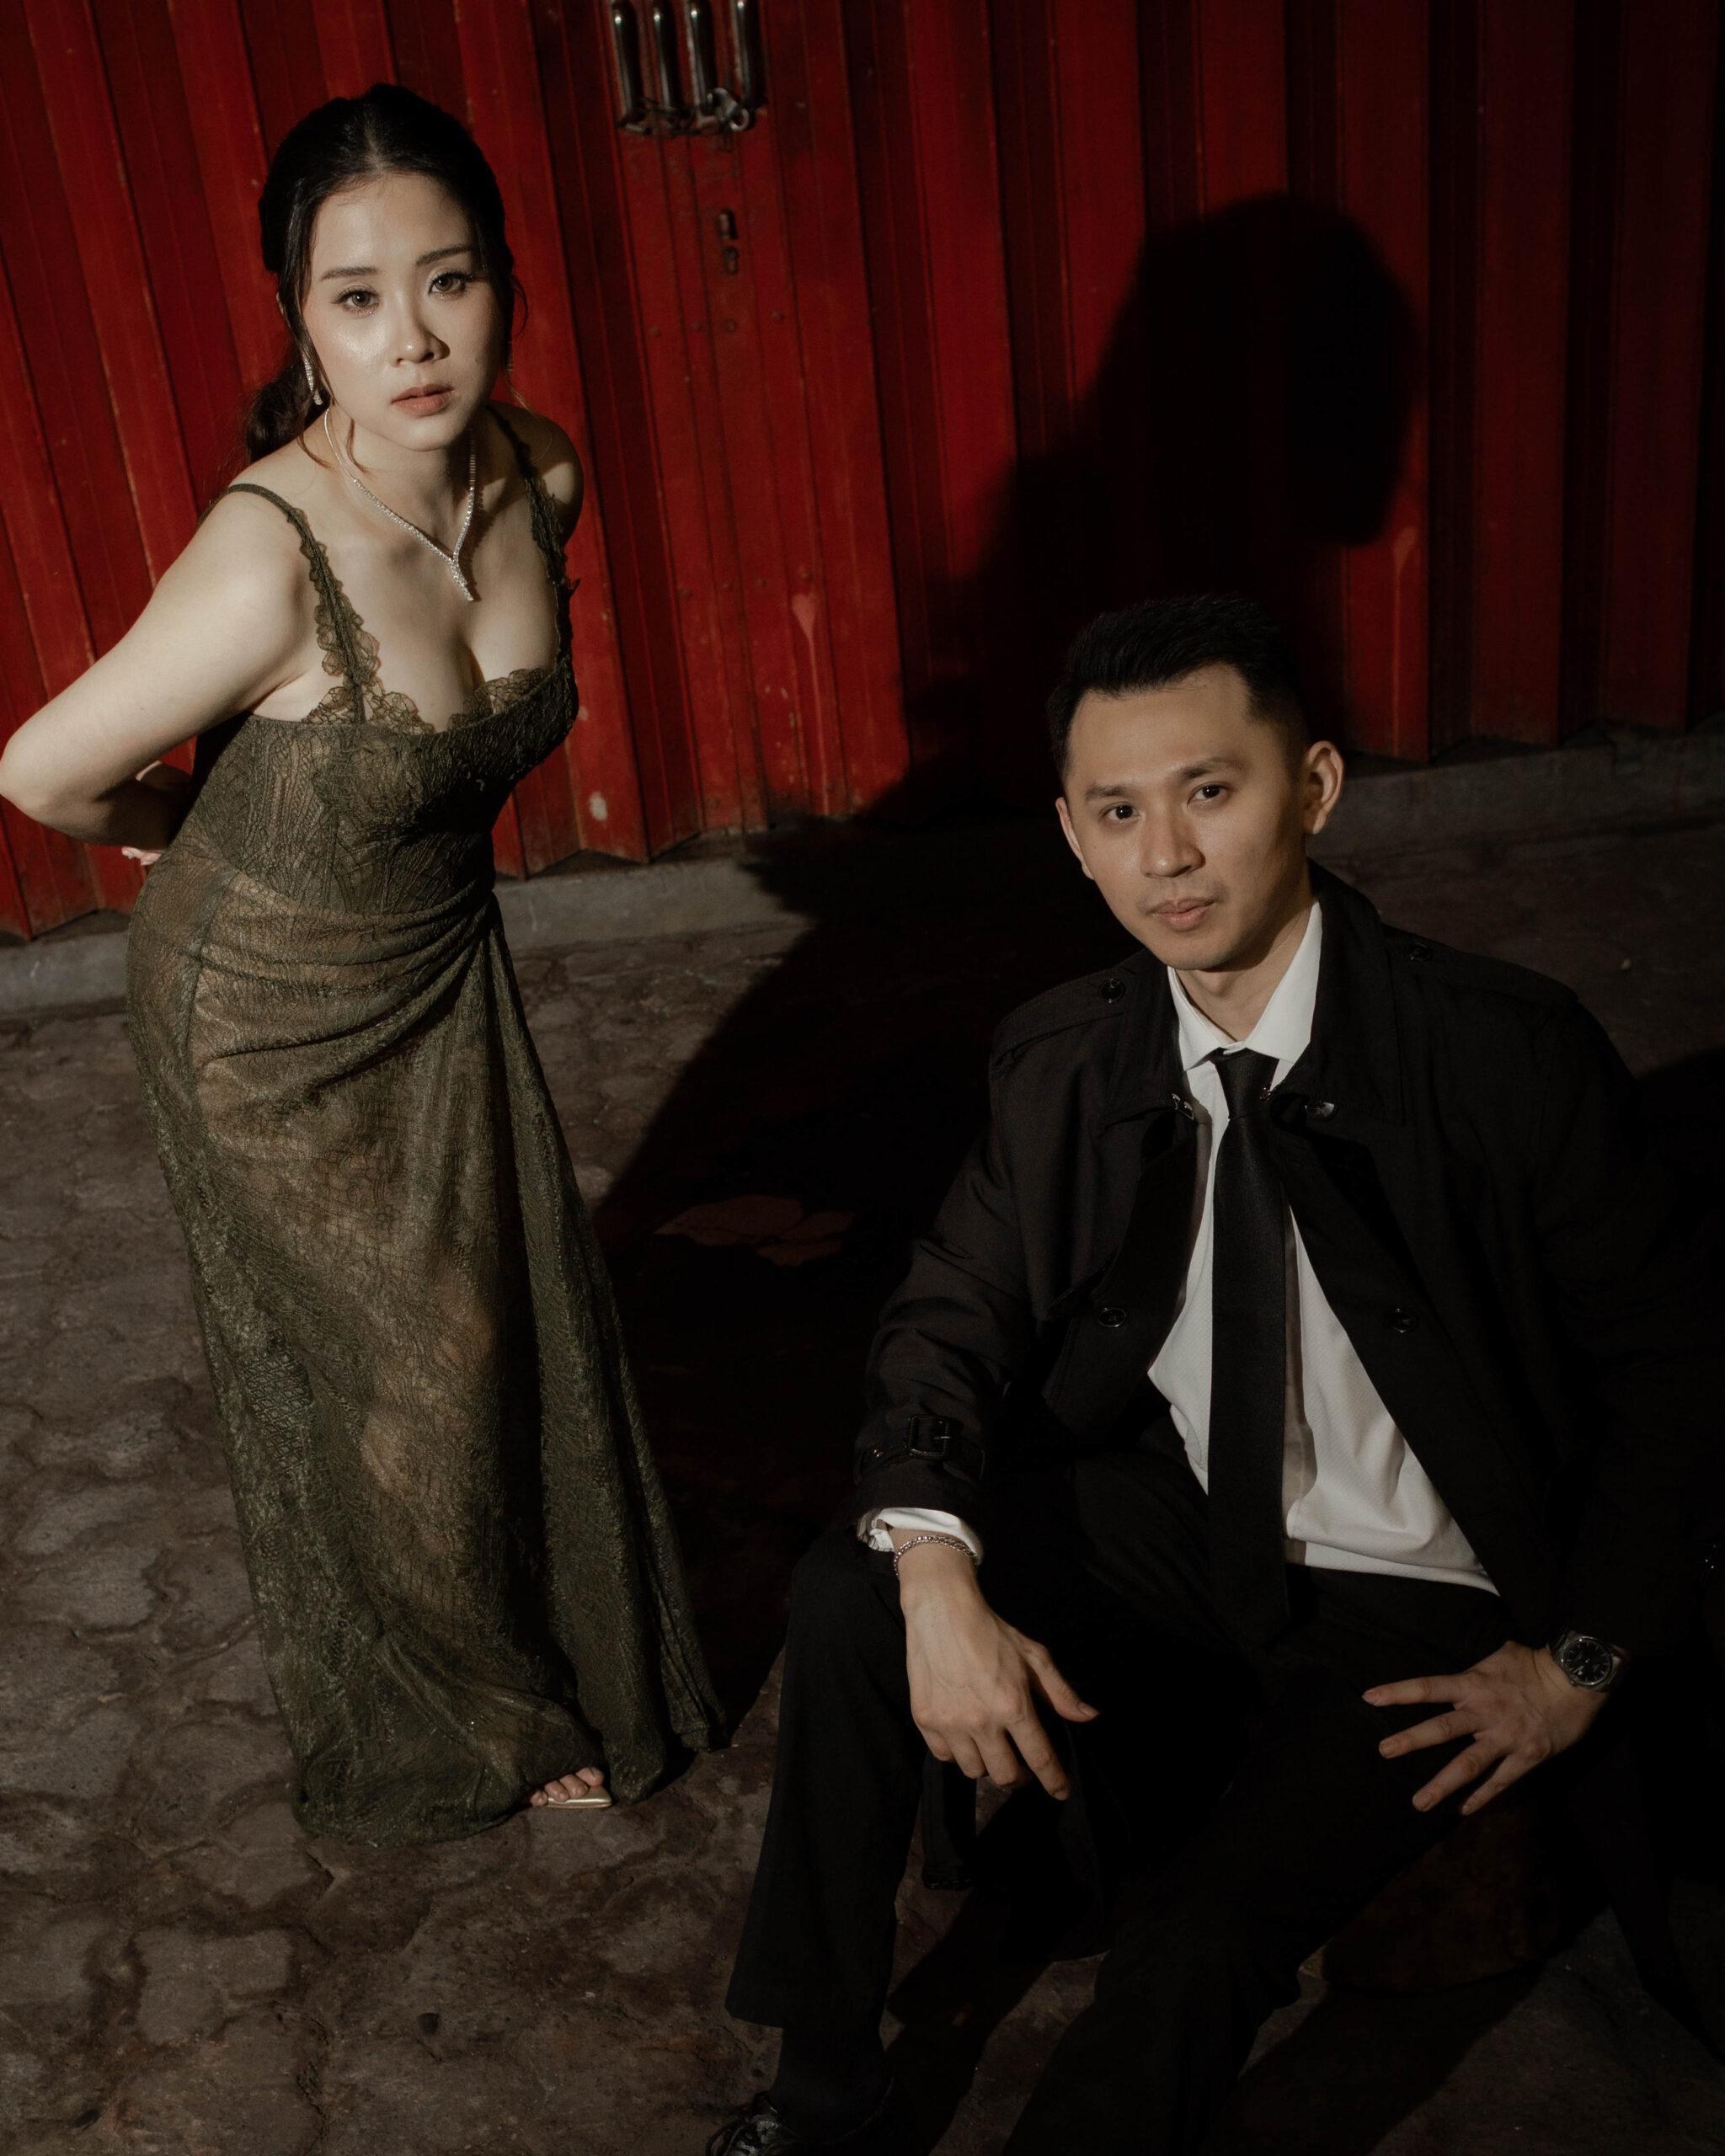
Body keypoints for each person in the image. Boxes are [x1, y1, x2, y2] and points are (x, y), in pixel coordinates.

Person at [709, 594, 1725, 2153]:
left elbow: (1679, 1371)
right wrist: (936, 1577)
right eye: (1119, 812)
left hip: (1423, 1596)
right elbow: (947, 1315)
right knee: (861, 1582)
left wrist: (1578, 1660)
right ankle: (823, 2082)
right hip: (1189, 1527)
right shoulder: (1064, 1057)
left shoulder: (1504, 1056)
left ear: (1313, 788)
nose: (1168, 856)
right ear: (1072, 836)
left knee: (1195, 1945)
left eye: (1209, 791)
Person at [0, 84, 723, 1846]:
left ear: (502, 285)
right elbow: (39, 771)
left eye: (449, 280)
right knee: (421, 1354)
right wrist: (181, 830)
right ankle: (473, 1709)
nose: (413, 339)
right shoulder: (267, 556)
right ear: (299, 322)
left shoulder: (538, 473)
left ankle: (532, 1630)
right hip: (259, 1013)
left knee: (499, 1315)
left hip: (436, 967)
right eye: (355, 297)